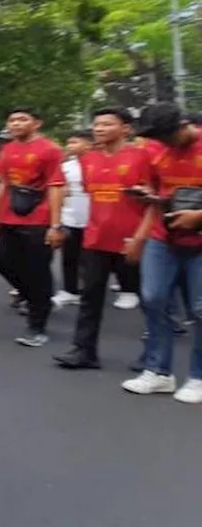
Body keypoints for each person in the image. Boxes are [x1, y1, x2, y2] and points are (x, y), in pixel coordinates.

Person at [53, 108, 148, 370]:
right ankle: (83, 351)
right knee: (90, 297)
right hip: (95, 239)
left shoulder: (142, 157)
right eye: (96, 124)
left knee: (151, 299)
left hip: (133, 240)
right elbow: (88, 192)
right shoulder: (89, 159)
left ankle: (154, 355)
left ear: (126, 129)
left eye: (107, 124)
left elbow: (154, 197)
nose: (99, 129)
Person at [120, 103, 202, 403]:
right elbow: (157, 198)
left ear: (183, 125)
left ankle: (198, 377)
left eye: (167, 136)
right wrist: (139, 238)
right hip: (163, 237)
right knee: (153, 299)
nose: (163, 143)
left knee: (200, 309)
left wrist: (199, 216)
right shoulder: (153, 150)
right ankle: (158, 373)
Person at [0, 108, 66, 348]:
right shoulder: (8, 149)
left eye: (22, 119)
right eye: (12, 119)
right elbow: (4, 182)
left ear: (37, 123)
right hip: (9, 216)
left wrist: (55, 225)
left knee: (37, 270)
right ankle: (39, 299)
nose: (16, 124)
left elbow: (56, 186)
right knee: (2, 263)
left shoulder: (50, 149)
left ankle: (37, 327)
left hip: (39, 217)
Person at [53, 131, 93, 307]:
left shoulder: (97, 163)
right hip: (69, 216)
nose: (70, 146)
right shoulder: (66, 166)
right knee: (69, 256)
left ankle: (91, 291)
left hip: (92, 218)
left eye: (75, 142)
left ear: (88, 144)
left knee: (90, 258)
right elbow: (58, 190)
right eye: (68, 143)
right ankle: (70, 290)